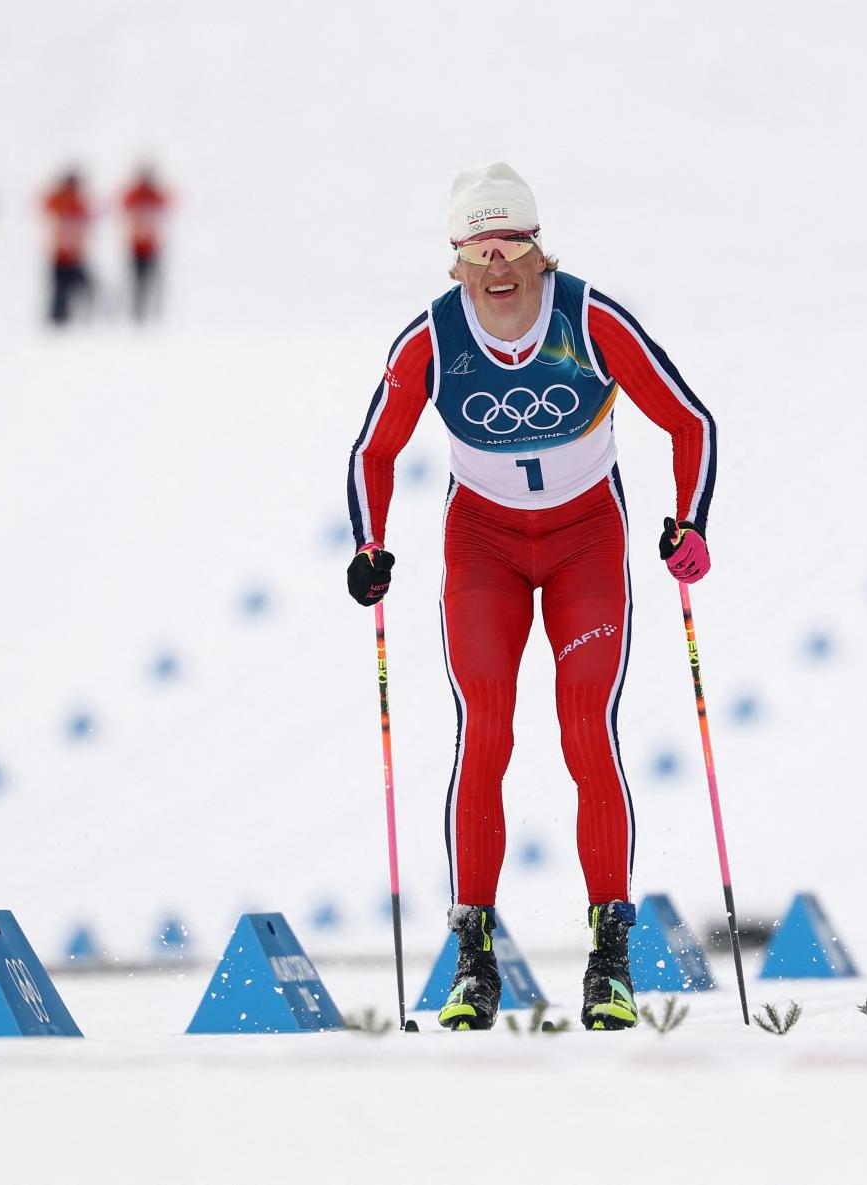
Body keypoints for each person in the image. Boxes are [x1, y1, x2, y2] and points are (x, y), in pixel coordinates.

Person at [344, 162, 716, 1031]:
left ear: (540, 250)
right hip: (484, 544)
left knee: (586, 726)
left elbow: (689, 420)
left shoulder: (589, 320)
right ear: (456, 262)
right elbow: (374, 451)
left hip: (587, 539)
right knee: (486, 728)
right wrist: (370, 546)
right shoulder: (431, 340)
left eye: (512, 245)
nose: (498, 267)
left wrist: (689, 523)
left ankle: (609, 956)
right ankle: (473, 958)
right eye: (479, 251)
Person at [42, 170, 94, 325]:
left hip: (75, 254)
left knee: (77, 287)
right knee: (60, 289)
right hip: (60, 254)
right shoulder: (59, 201)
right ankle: (57, 318)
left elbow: (89, 218)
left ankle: (71, 317)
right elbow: (46, 205)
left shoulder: (79, 204)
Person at [119, 165, 169, 322]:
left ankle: (154, 313)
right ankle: (137, 312)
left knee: (154, 280)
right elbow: (125, 202)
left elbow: (168, 201)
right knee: (138, 281)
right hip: (137, 246)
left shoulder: (155, 196)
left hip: (152, 246)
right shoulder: (135, 196)